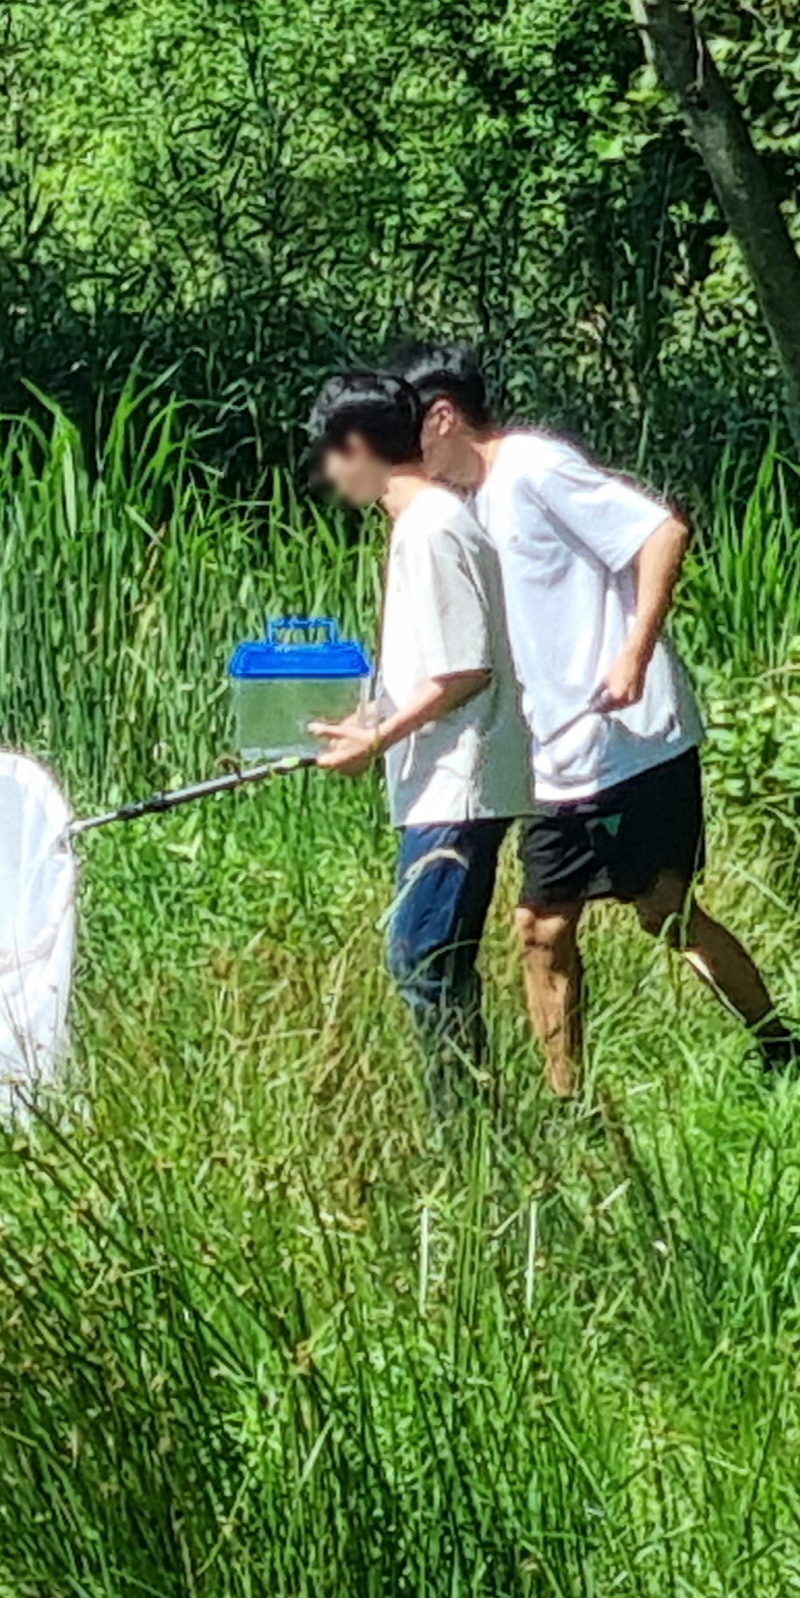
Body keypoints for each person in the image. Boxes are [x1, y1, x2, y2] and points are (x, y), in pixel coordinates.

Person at [392, 344, 800, 1088]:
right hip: (554, 758)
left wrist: (633, 655)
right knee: (540, 928)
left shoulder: (533, 469)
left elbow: (661, 532)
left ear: (444, 416)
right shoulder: (460, 511)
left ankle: (781, 1047)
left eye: (405, 428)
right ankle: (567, 1102)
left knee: (664, 913)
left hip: (631, 740)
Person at [301, 371, 532, 1103]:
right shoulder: (426, 525)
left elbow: (466, 668)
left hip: (457, 785)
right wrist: (369, 721)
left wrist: (380, 739)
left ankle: (469, 1136)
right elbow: (432, 664)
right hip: (436, 782)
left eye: (332, 457)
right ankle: (471, 1131)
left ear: (360, 447)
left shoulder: (432, 526)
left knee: (425, 961)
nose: (332, 477)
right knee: (429, 963)